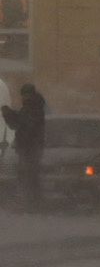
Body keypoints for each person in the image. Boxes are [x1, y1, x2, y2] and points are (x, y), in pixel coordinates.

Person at [2, 81, 44, 209]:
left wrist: (9, 114)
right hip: (27, 147)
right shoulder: (31, 107)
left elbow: (22, 125)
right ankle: (30, 201)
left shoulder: (33, 108)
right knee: (27, 176)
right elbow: (18, 124)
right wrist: (9, 114)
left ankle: (32, 202)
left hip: (29, 147)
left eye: (25, 95)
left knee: (28, 176)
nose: (24, 97)